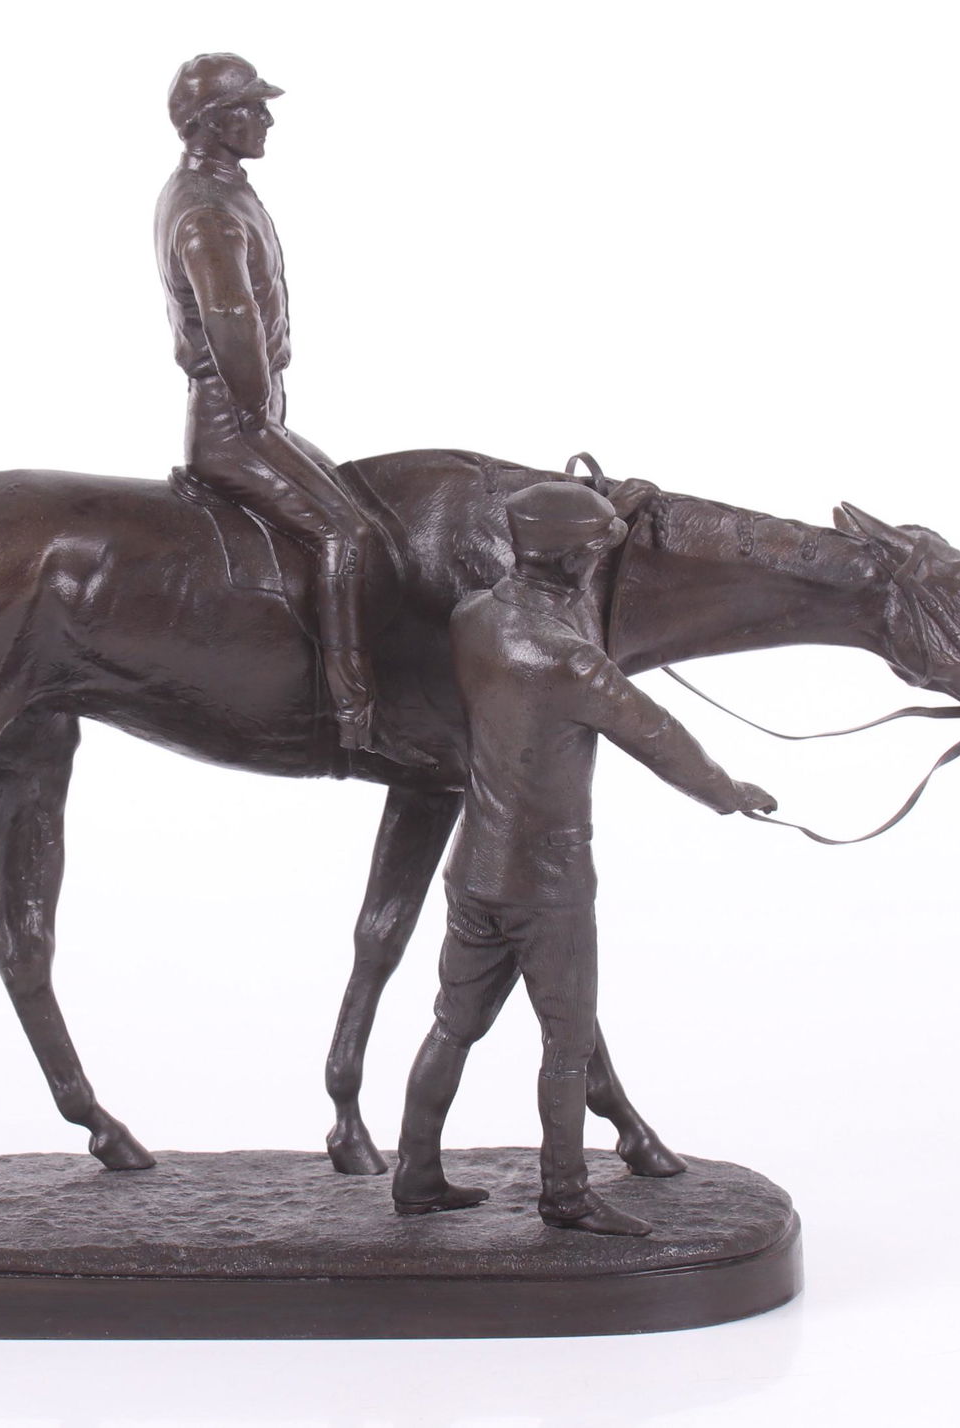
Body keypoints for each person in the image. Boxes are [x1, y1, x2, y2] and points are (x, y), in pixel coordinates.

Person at [393, 481, 777, 1235]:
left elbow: (571, 590)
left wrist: (610, 514)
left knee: (451, 1026)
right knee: (567, 1045)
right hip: (547, 883)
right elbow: (659, 737)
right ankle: (565, 1195)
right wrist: (729, 793)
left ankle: (415, 1173)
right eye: (594, 552)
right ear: (572, 561)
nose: (600, 562)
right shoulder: (572, 664)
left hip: (475, 868)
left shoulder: (475, 617)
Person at [156, 54, 429, 768]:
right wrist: (255, 412)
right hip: (235, 425)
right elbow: (229, 318)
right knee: (348, 534)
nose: (267, 119)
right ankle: (353, 710)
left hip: (257, 416)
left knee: (363, 507)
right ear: (211, 122)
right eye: (250, 108)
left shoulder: (225, 191)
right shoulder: (208, 213)